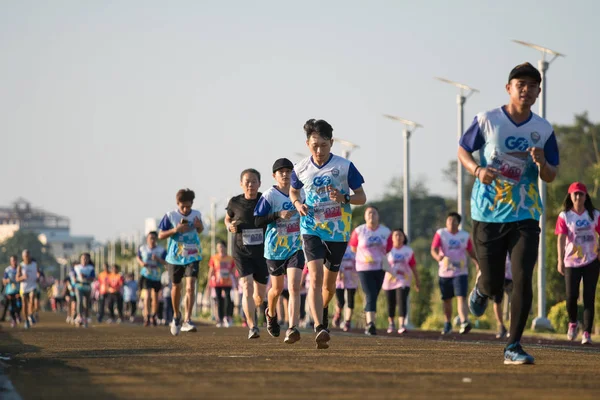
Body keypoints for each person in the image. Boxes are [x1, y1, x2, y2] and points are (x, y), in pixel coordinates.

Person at [458, 62, 559, 364]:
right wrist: (477, 170)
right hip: (488, 212)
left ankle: (513, 345)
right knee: (493, 283)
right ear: (509, 88)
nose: (526, 90)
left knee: (522, 277)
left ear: (539, 91)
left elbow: (551, 175)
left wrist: (541, 162)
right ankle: (482, 287)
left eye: (532, 85)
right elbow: (463, 149)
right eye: (520, 84)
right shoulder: (487, 120)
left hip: (525, 213)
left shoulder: (543, 129)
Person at [290, 119, 366, 348]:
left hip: (338, 231)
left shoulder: (345, 166)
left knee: (329, 287)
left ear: (331, 143)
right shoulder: (301, 168)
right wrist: (297, 204)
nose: (319, 150)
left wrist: (344, 198)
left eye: (323, 145)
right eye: (314, 145)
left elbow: (362, 198)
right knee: (315, 277)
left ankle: (321, 311)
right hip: (311, 227)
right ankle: (319, 326)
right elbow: (294, 191)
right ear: (307, 144)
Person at [255, 158, 305, 344]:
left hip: (295, 247)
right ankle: (271, 312)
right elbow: (257, 221)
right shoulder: (270, 196)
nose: (285, 174)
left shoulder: (300, 193)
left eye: (288, 171)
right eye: (281, 172)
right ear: (274, 176)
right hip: (275, 249)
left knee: (294, 286)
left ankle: (292, 327)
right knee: (276, 290)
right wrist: (277, 215)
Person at [225, 169, 268, 339]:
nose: (250, 184)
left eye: (254, 181)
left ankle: (258, 311)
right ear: (241, 184)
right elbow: (227, 218)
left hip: (263, 252)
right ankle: (252, 326)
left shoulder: (266, 200)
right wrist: (229, 226)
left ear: (259, 183)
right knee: (246, 285)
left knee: (259, 295)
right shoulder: (235, 202)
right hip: (242, 251)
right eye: (247, 181)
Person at [555, 182, 600, 345]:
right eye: (575, 194)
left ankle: (587, 332)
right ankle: (572, 322)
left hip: (591, 260)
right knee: (571, 296)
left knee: (589, 297)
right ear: (570, 196)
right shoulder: (565, 216)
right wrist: (560, 260)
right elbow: (560, 238)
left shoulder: (594, 215)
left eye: (581, 194)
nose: (578, 197)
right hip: (571, 262)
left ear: (586, 196)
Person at [158, 188, 204, 336]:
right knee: (176, 287)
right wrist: (175, 230)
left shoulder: (197, 214)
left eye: (188, 206)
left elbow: (200, 230)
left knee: (190, 286)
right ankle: (176, 315)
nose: (185, 209)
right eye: (182, 206)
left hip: (192, 255)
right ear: (177, 204)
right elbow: (160, 235)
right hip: (175, 257)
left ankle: (187, 320)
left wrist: (199, 226)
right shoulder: (170, 216)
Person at [430, 212, 478, 335]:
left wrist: (477, 263)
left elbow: (471, 251)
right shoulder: (441, 234)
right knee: (447, 299)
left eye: (454, 220)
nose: (451, 222)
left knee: (461, 296)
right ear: (446, 222)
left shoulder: (464, 236)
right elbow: (434, 249)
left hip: (460, 272)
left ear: (458, 223)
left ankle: (464, 321)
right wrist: (438, 257)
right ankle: (447, 323)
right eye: (449, 220)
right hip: (445, 272)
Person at [350, 206, 391, 336]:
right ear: (365, 216)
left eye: (374, 213)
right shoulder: (359, 230)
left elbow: (389, 247)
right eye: (369, 213)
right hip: (364, 268)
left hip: (379, 267)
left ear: (378, 216)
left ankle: (368, 314)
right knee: (370, 294)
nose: (371, 216)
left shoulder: (385, 231)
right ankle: (370, 324)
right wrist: (365, 257)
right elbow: (353, 247)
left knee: (374, 294)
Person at [384, 228, 420, 335]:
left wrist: (417, 280)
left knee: (401, 301)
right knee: (391, 303)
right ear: (392, 238)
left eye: (400, 235)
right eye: (395, 235)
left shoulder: (408, 251)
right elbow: (383, 266)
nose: (398, 237)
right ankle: (391, 323)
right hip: (389, 281)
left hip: (404, 280)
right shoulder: (388, 251)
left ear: (404, 237)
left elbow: (413, 266)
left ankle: (402, 324)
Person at [137, 231, 167, 327]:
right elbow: (138, 257)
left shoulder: (161, 250)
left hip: (157, 276)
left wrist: (158, 259)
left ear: (156, 239)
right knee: (147, 296)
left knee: (155, 297)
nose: (152, 240)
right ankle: (147, 316)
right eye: (151, 238)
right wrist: (142, 263)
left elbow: (166, 262)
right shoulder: (143, 249)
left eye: (154, 238)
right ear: (147, 239)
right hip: (146, 275)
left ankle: (154, 316)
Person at [208, 241, 236, 327]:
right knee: (219, 300)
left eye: (222, 246)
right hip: (217, 283)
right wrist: (209, 282)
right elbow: (211, 270)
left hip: (227, 282)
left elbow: (233, 271)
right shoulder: (214, 258)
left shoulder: (230, 258)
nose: (220, 248)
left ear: (225, 247)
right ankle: (219, 319)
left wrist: (236, 281)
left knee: (228, 299)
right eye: (218, 247)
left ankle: (227, 317)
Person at [332, 247, 358, 332]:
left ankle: (347, 322)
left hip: (352, 278)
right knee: (341, 301)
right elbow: (335, 261)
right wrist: (338, 272)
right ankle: (338, 314)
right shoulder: (339, 247)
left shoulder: (353, 249)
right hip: (340, 279)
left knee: (350, 301)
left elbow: (358, 262)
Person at [73, 253, 95, 328]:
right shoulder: (76, 267)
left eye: (86, 258)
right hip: (79, 287)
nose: (84, 260)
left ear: (88, 260)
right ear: (80, 259)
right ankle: (79, 316)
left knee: (86, 304)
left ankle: (85, 318)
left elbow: (92, 278)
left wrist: (85, 277)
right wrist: (75, 279)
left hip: (87, 287)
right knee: (79, 301)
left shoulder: (91, 268)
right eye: (83, 258)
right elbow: (73, 277)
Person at [16, 250, 38, 329]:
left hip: (33, 286)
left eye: (28, 256)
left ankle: (31, 314)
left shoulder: (34, 264)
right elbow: (17, 279)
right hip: (24, 288)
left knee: (32, 299)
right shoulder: (21, 266)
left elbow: (38, 273)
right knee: (24, 304)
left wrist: (39, 277)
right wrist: (23, 277)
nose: (27, 257)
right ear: (23, 257)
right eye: (25, 256)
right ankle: (26, 320)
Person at [493, 254, 513, 339]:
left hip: (512, 276)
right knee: (496, 301)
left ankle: (512, 328)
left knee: (513, 302)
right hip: (499, 276)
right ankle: (501, 326)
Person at [3, 256, 21, 328]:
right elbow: (4, 280)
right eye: (12, 260)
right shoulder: (7, 270)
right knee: (12, 306)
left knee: (19, 305)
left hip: (19, 289)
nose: (14, 262)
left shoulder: (19, 268)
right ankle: (13, 320)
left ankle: (18, 315)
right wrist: (7, 281)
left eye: (15, 260)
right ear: (10, 261)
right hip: (10, 290)